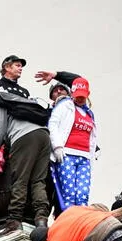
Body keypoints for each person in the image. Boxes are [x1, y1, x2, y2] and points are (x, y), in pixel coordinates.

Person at [0, 83, 51, 237]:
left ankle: (14, 221)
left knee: (19, 180)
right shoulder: (11, 98)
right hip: (43, 135)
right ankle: (41, 220)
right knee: (38, 181)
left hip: (24, 137)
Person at [44, 77, 97, 209]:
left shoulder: (89, 113)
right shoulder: (65, 106)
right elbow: (53, 124)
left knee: (83, 194)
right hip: (67, 154)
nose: (80, 98)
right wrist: (57, 146)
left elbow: (92, 137)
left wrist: (92, 155)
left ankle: (82, 218)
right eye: (78, 95)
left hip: (84, 157)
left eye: (83, 96)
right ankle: (71, 218)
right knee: (69, 193)